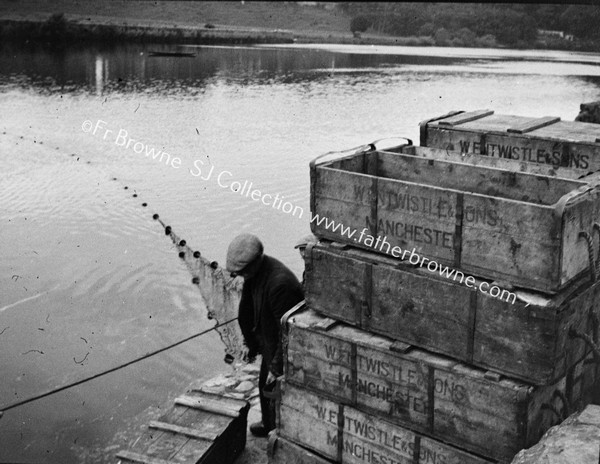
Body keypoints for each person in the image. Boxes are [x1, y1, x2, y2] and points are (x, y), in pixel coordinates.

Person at [226, 233, 304, 437]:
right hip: (267, 341)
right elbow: (247, 311)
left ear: (255, 262)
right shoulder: (254, 275)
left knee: (277, 390)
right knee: (264, 387)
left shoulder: (280, 284)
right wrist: (249, 344)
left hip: (283, 348)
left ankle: (280, 433)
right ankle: (269, 424)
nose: (242, 276)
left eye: (244, 271)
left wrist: (276, 367)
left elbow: (289, 334)